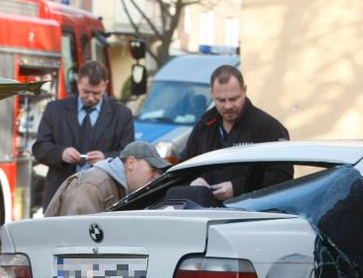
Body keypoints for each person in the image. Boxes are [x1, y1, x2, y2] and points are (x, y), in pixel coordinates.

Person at [33, 61, 134, 210]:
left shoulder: (122, 115)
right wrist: (61, 154)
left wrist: (105, 159)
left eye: (97, 93)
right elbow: (40, 147)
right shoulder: (55, 110)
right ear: (78, 83)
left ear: (105, 85)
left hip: (104, 196)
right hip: (60, 193)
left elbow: (128, 154)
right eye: (86, 92)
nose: (91, 98)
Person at [183, 65, 290, 201]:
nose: (228, 106)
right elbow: (185, 166)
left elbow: (282, 177)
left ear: (244, 90)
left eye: (234, 99)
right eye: (221, 100)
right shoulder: (204, 125)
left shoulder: (268, 126)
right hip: (206, 211)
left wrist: (237, 188)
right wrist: (194, 182)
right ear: (212, 94)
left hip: (252, 213)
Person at [44, 141, 169, 216]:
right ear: (131, 163)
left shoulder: (120, 186)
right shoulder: (92, 185)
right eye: (153, 168)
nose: (156, 176)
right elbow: (75, 239)